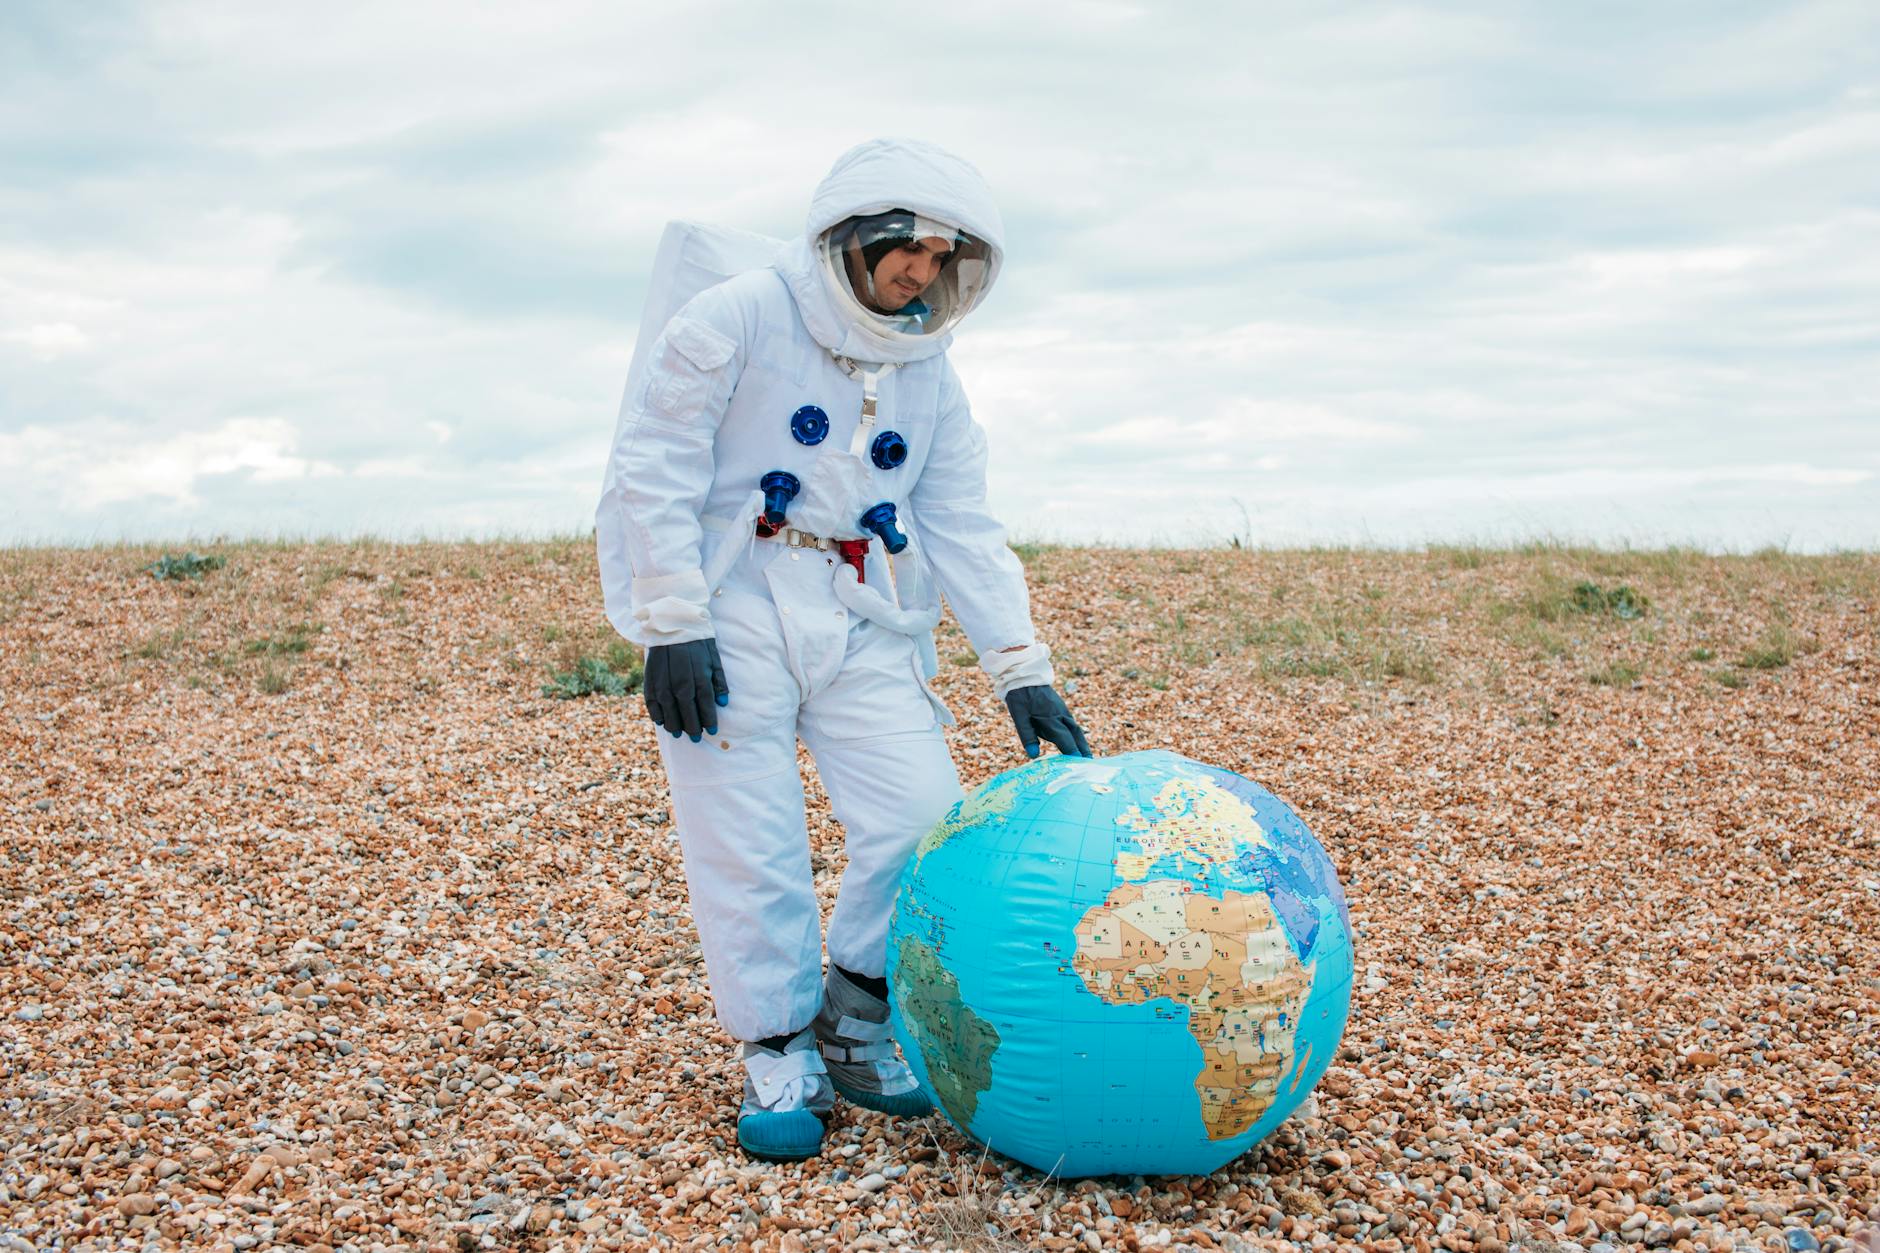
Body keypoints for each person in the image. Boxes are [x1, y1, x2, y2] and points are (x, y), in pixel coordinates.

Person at [596, 137, 1090, 1161]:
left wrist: (1020, 666)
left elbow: (959, 517)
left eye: (940, 255)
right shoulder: (734, 315)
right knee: (750, 834)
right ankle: (777, 1046)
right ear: (852, 234)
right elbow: (655, 463)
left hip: (862, 602)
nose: (920, 270)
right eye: (905, 245)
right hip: (730, 595)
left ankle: (855, 1002)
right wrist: (670, 621)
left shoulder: (928, 368)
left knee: (921, 815)